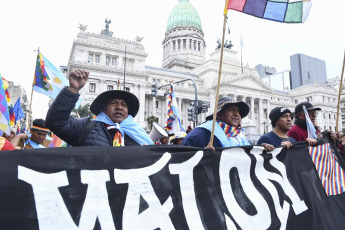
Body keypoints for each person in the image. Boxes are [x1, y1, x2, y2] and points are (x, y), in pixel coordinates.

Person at [46, 69, 153, 146]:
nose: (119, 107)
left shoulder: (139, 136)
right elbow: (56, 122)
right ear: (103, 108)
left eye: (124, 105)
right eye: (114, 103)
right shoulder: (87, 128)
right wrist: (72, 90)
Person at [182, 96, 273, 151]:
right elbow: (183, 157)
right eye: (231, 110)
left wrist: (261, 149)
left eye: (238, 111)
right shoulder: (201, 134)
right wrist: (202, 155)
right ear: (218, 115)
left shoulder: (239, 135)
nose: (236, 114)